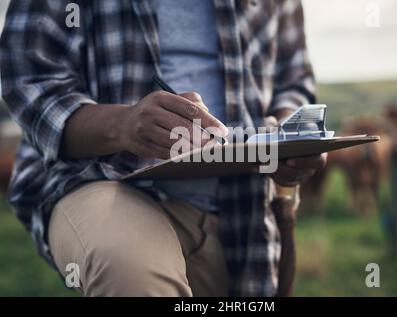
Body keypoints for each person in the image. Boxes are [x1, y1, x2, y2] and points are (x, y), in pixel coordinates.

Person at [0, 0, 325, 296]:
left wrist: (288, 139)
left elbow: (292, 82)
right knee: (127, 267)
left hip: (245, 206)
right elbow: (30, 80)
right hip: (102, 180)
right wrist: (122, 124)